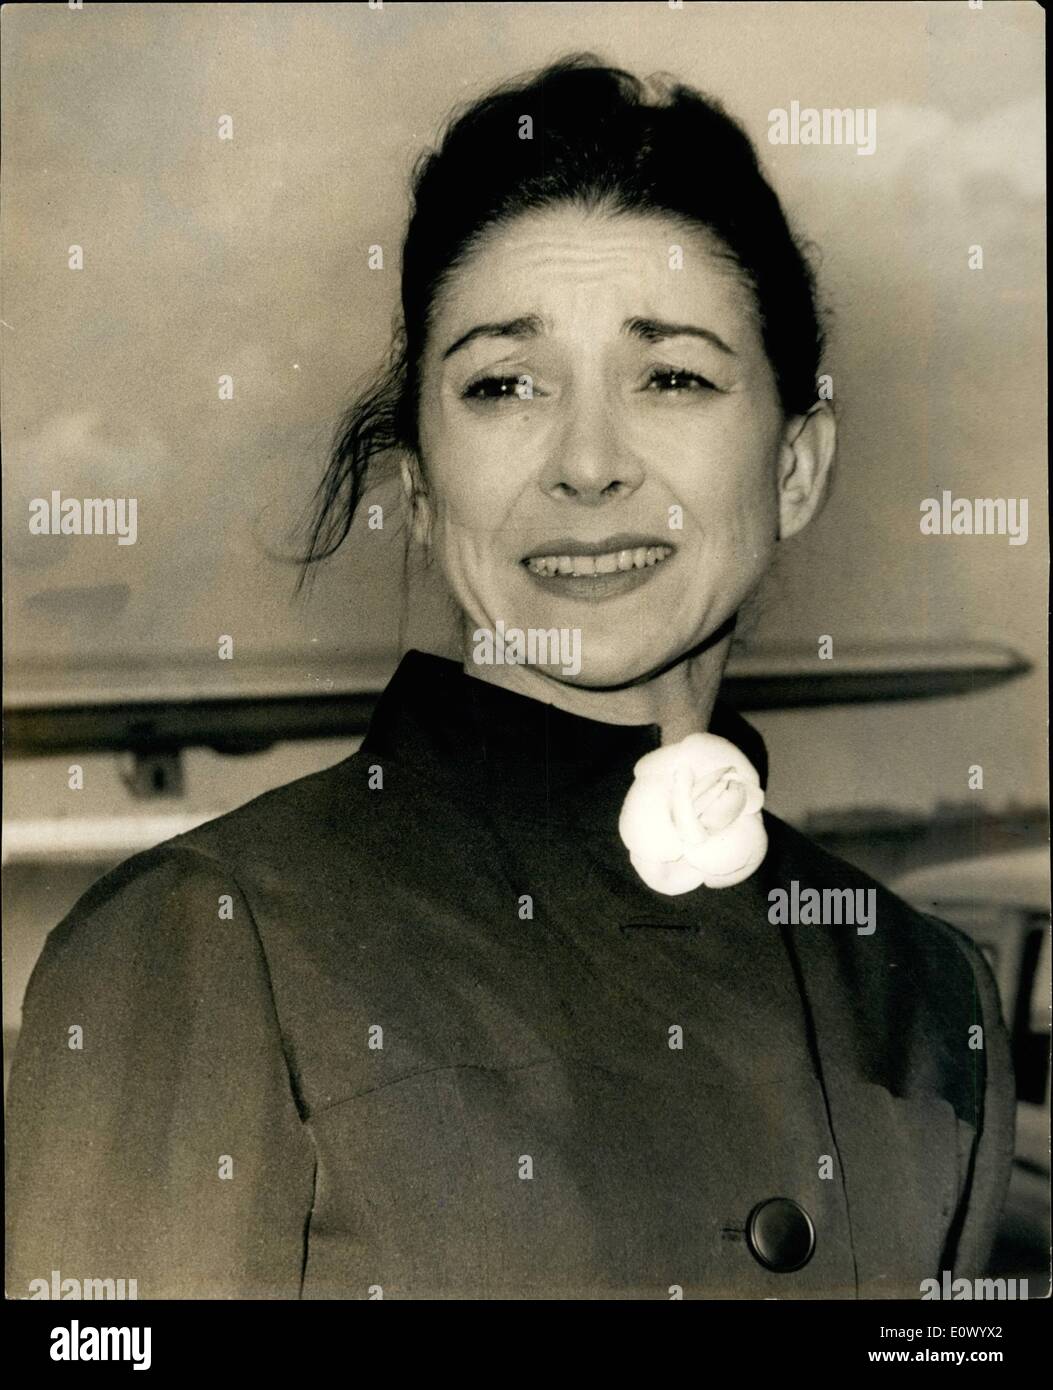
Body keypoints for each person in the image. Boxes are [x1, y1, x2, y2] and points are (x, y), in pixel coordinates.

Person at [6, 55, 1013, 1300]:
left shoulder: (924, 996)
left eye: (675, 376)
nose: (587, 464)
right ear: (424, 491)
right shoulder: (201, 946)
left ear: (797, 466)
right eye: (504, 385)